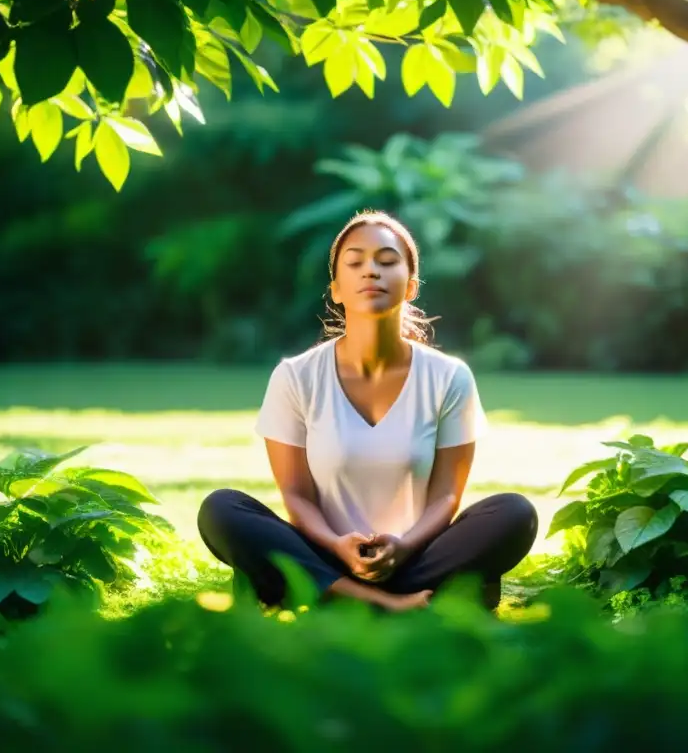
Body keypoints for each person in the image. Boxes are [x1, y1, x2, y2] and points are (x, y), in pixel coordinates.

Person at [197, 210, 538, 612]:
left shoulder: (450, 377)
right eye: (355, 262)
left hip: (415, 555)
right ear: (337, 289)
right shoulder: (296, 377)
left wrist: (404, 545)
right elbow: (297, 496)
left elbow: (446, 496)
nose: (371, 271)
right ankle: (381, 601)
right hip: (326, 552)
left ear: (410, 287)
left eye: (387, 261)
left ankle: (316, 592)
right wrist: (339, 546)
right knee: (222, 509)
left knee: (514, 513)